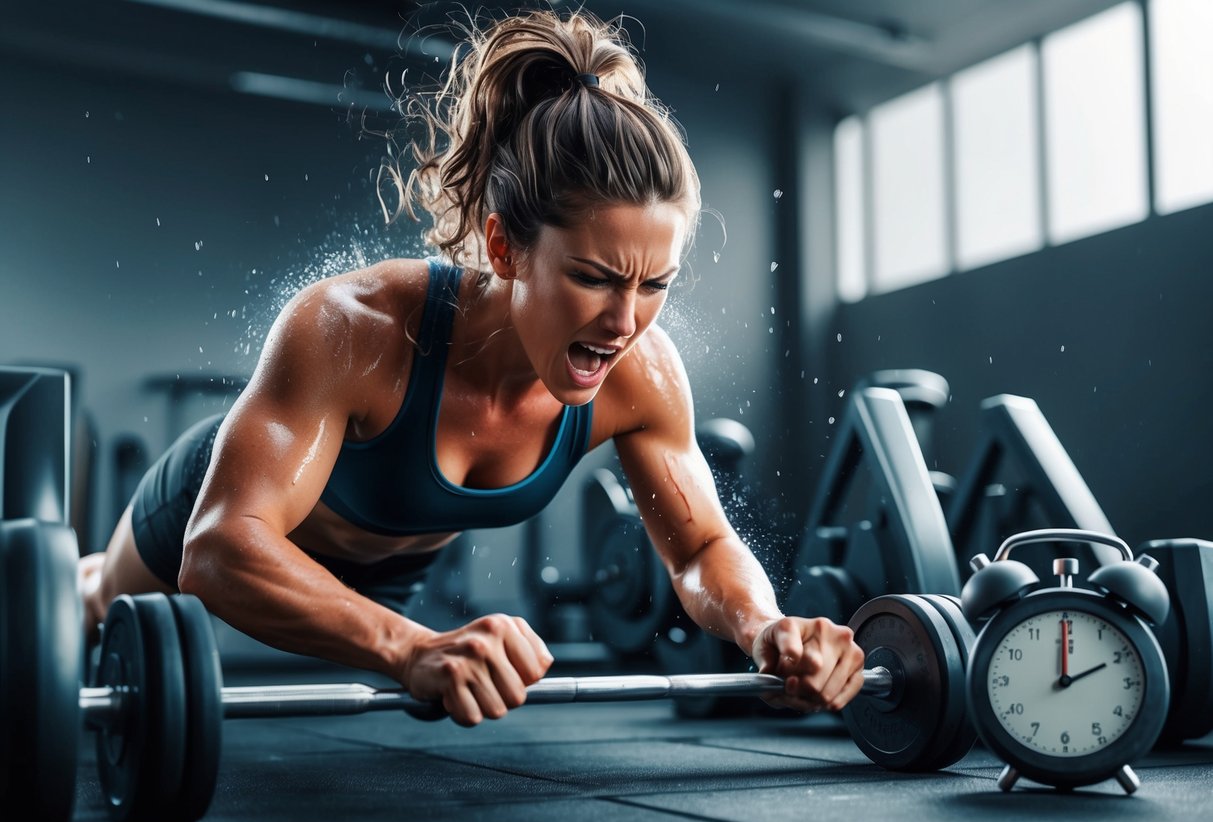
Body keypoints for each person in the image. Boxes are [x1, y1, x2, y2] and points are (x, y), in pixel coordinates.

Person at [78, 9, 865, 727]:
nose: (624, 322)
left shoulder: (641, 375)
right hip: (219, 519)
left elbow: (697, 551)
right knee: (94, 615)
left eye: (653, 284)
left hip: (386, 577)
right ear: (504, 247)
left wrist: (766, 628)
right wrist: (410, 650)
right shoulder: (352, 327)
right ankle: (68, 578)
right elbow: (220, 547)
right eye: (592, 277)